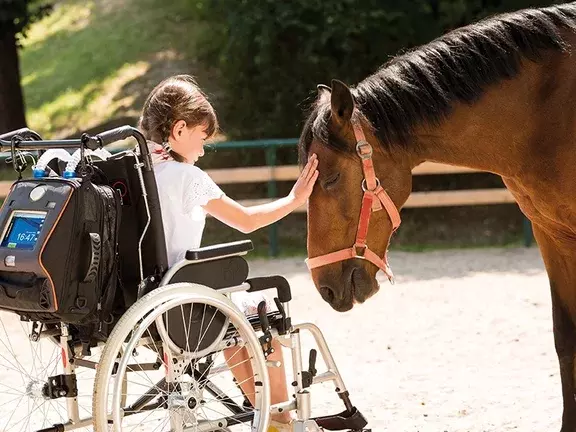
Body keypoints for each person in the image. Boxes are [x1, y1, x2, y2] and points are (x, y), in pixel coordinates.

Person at [138, 74, 318, 431]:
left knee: (235, 314)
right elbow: (247, 221)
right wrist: (294, 199)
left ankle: (269, 416)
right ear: (178, 130)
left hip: (140, 299)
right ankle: (280, 416)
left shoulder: (130, 171)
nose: (203, 151)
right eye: (202, 138)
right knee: (260, 311)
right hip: (182, 300)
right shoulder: (186, 176)